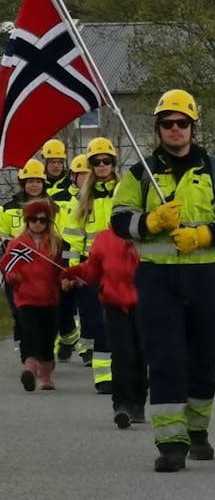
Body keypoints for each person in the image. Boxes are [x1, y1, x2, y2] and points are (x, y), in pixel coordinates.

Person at [110, 88, 215, 473]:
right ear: (158, 128)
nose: (175, 129)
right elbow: (119, 220)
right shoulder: (140, 173)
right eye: (167, 123)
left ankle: (198, 431)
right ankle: (171, 443)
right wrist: (149, 223)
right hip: (157, 279)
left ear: (193, 127)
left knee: (204, 359)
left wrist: (203, 235)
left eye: (182, 123)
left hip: (204, 277)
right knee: (166, 359)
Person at [60, 228, 146, 428]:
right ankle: (121, 405)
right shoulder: (105, 238)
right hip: (114, 303)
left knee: (140, 355)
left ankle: (137, 402)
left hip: (145, 304)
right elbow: (93, 269)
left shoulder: (150, 236)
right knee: (121, 353)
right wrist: (73, 273)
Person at [62, 137, 120, 394]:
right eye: (97, 163)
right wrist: (74, 270)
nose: (102, 166)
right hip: (93, 268)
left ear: (114, 163)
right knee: (99, 323)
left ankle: (125, 371)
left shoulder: (125, 191)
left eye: (106, 161)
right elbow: (74, 237)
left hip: (122, 267)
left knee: (123, 322)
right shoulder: (83, 198)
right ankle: (102, 376)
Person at [1, 199, 65, 391]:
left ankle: (46, 377)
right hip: (26, 298)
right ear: (27, 221)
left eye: (43, 220)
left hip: (49, 298)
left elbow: (61, 269)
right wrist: (13, 276)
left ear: (49, 222)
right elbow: (8, 268)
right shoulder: (18, 244)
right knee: (29, 334)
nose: (38, 223)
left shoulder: (55, 243)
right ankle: (29, 370)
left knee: (47, 338)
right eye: (34, 219)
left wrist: (67, 278)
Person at [0, 159, 55, 351]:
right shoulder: (8, 208)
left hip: (44, 267)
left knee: (43, 310)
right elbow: (2, 233)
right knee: (19, 310)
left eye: (38, 181)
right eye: (30, 181)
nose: (34, 185)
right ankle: (27, 349)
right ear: (23, 183)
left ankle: (40, 349)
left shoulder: (52, 207)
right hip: (18, 266)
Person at [42, 139, 81, 360]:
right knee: (48, 298)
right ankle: (63, 337)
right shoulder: (38, 187)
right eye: (52, 161)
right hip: (44, 249)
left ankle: (68, 334)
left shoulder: (72, 189)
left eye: (59, 161)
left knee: (67, 297)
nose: (56, 166)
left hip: (67, 248)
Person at [53, 154, 90, 362]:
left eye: (87, 173)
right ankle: (68, 337)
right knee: (64, 303)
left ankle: (87, 348)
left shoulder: (97, 197)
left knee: (88, 305)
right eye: (81, 174)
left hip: (90, 257)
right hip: (66, 254)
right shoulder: (62, 198)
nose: (84, 178)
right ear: (73, 176)